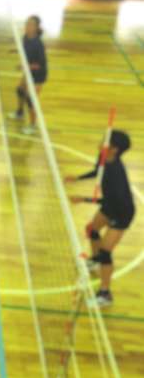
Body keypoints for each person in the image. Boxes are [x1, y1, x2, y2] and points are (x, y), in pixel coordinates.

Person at [65, 130, 135, 307]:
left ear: (114, 149)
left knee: (105, 252)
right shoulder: (104, 156)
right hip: (110, 206)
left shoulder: (116, 174)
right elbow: (98, 171)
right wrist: (78, 178)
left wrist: (83, 199)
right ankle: (95, 262)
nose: (101, 142)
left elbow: (111, 200)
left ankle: (105, 294)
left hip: (122, 212)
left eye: (105, 141)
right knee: (92, 229)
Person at [7, 15, 48, 135]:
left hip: (38, 75)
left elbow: (40, 65)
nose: (27, 26)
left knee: (31, 100)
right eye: (27, 24)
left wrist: (24, 67)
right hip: (29, 70)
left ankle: (32, 125)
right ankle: (20, 113)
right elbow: (24, 49)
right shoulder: (25, 37)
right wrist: (15, 50)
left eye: (30, 25)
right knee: (20, 90)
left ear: (36, 28)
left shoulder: (38, 44)